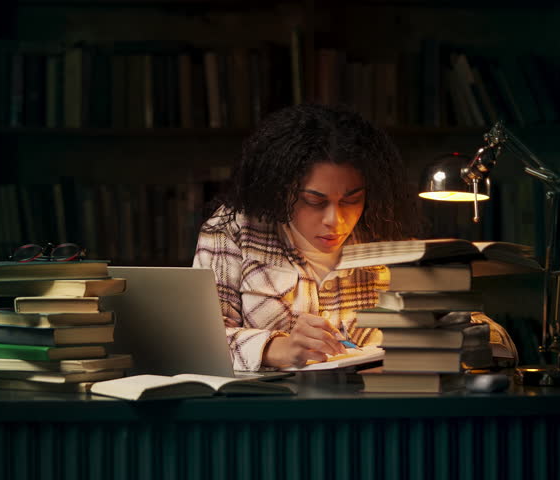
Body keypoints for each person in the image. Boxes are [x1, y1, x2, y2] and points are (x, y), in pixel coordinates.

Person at [192, 103, 517, 371]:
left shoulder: (382, 230)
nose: (336, 220)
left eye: (351, 200)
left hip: (374, 412)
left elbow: (469, 322)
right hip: (271, 417)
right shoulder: (232, 231)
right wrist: (276, 348)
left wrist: (471, 336)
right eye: (314, 201)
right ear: (280, 190)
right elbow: (197, 343)